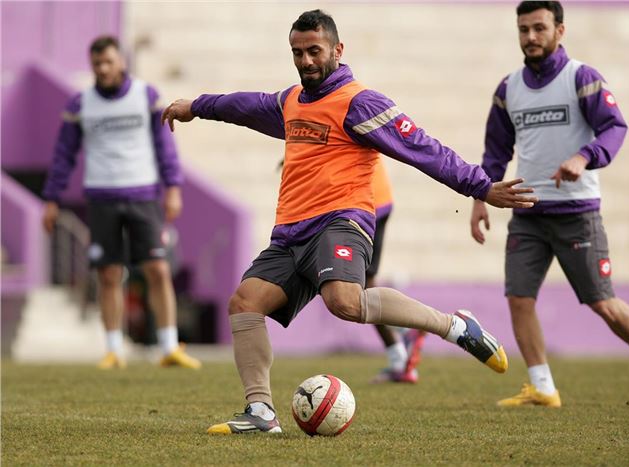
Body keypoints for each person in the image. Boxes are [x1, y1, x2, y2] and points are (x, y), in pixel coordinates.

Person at [162, 10, 537, 434]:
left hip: (341, 221)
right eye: (297, 53)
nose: (306, 61)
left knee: (344, 302)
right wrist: (196, 107)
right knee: (245, 303)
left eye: (314, 51)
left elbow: (424, 148)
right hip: (290, 233)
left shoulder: (360, 103)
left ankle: (454, 326)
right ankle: (261, 412)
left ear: (338, 50)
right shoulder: (291, 101)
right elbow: (245, 105)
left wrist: (481, 187)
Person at [470, 1, 629, 408]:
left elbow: (615, 127)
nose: (531, 37)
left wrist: (584, 157)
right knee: (519, 299)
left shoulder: (582, 78)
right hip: (527, 215)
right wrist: (480, 197)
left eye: (539, 28)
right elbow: (495, 151)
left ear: (560, 30)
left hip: (577, 214)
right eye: (523, 29)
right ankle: (543, 387)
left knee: (604, 304)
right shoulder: (508, 88)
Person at [42, 36, 201, 370]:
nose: (102, 69)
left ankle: (169, 346)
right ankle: (114, 350)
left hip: (143, 195)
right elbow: (63, 155)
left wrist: (173, 187)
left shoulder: (147, 96)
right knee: (109, 273)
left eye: (108, 62)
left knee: (157, 268)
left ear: (122, 62)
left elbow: (165, 146)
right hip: (101, 197)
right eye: (96, 64)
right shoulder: (80, 104)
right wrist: (52, 198)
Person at [368, 157, 426, 384]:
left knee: (351, 288)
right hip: (372, 198)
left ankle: (405, 328)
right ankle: (399, 359)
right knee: (361, 285)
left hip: (364, 202)